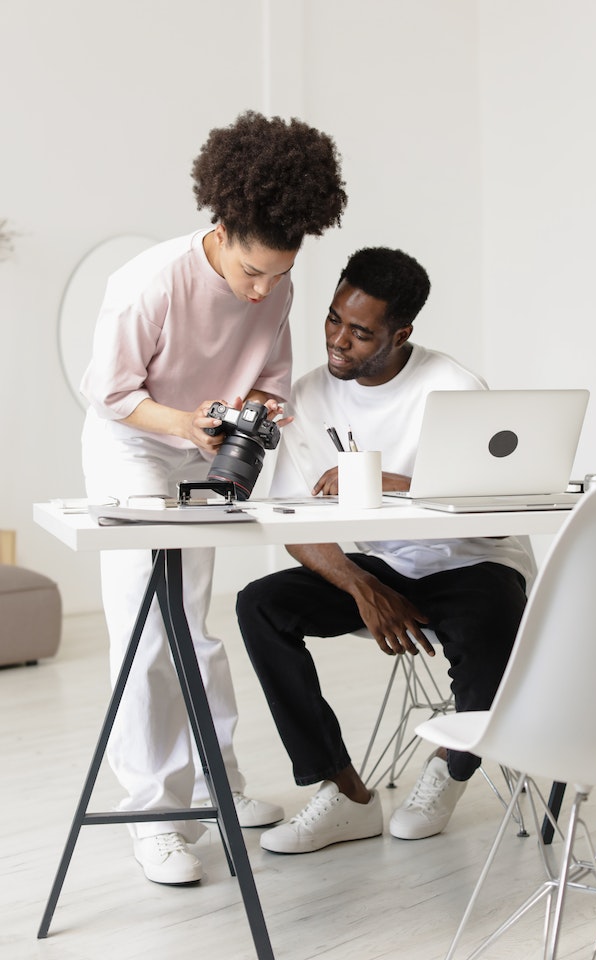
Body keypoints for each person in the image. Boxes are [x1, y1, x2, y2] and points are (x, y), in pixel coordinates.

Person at [80, 111, 347, 884]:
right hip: (135, 441)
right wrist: (183, 425)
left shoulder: (278, 283)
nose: (264, 289)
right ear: (222, 227)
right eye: (252, 273)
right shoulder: (147, 282)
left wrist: (259, 411)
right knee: (146, 627)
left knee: (190, 624)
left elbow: (268, 374)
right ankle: (154, 814)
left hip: (203, 445)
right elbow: (110, 393)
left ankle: (214, 782)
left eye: (278, 274)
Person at [236, 246, 535, 855]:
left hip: (473, 559)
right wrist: (362, 587)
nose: (338, 341)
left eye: (361, 332)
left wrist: (390, 483)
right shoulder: (309, 396)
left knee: (491, 622)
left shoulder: (453, 387)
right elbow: (295, 522)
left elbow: (498, 499)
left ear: (401, 334)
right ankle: (345, 793)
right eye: (334, 320)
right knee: (260, 606)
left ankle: (450, 770)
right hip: (388, 566)